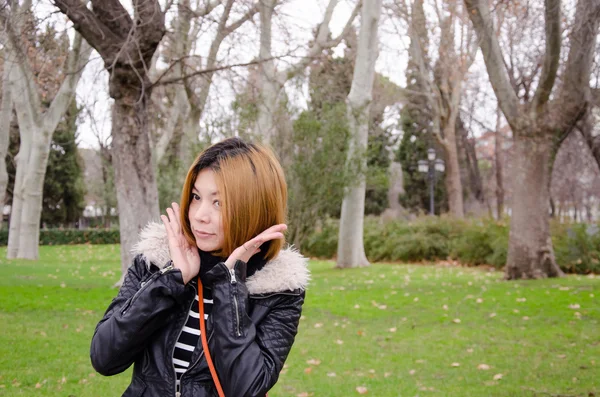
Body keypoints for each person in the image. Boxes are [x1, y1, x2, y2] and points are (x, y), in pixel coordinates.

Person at [90, 137, 309, 397]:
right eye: (196, 196)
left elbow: (247, 389)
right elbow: (104, 358)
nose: (199, 215)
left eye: (219, 202)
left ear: (254, 209)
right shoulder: (156, 261)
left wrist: (231, 285)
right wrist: (170, 280)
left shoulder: (277, 290)